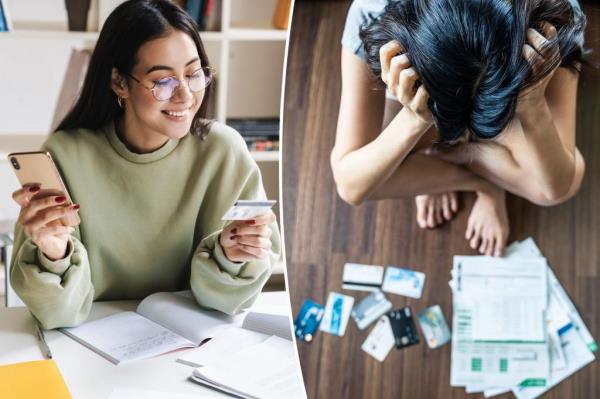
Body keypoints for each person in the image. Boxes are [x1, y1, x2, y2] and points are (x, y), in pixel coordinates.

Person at [9, 0, 280, 329]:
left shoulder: (223, 152)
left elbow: (226, 305)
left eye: (194, 75)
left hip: (194, 344)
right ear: (119, 82)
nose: (185, 96)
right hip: (88, 345)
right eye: (163, 81)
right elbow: (58, 314)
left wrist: (233, 256)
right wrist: (53, 253)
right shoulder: (66, 154)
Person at [331, 0, 587, 257]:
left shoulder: (554, 16)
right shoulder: (372, 12)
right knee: (375, 165)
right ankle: (483, 183)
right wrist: (414, 120)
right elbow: (351, 186)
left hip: (507, 98)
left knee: (556, 186)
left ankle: (455, 162)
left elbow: (557, 186)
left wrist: (532, 104)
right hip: (432, 103)